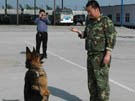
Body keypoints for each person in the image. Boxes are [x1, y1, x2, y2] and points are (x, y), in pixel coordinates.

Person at [70, 0, 116, 101]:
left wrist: (107, 55)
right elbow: (86, 35)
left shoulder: (105, 21)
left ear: (97, 9)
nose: (88, 13)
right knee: (91, 83)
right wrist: (78, 31)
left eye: (90, 11)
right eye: (87, 12)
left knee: (101, 84)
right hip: (90, 56)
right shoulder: (90, 22)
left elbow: (111, 38)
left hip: (101, 56)